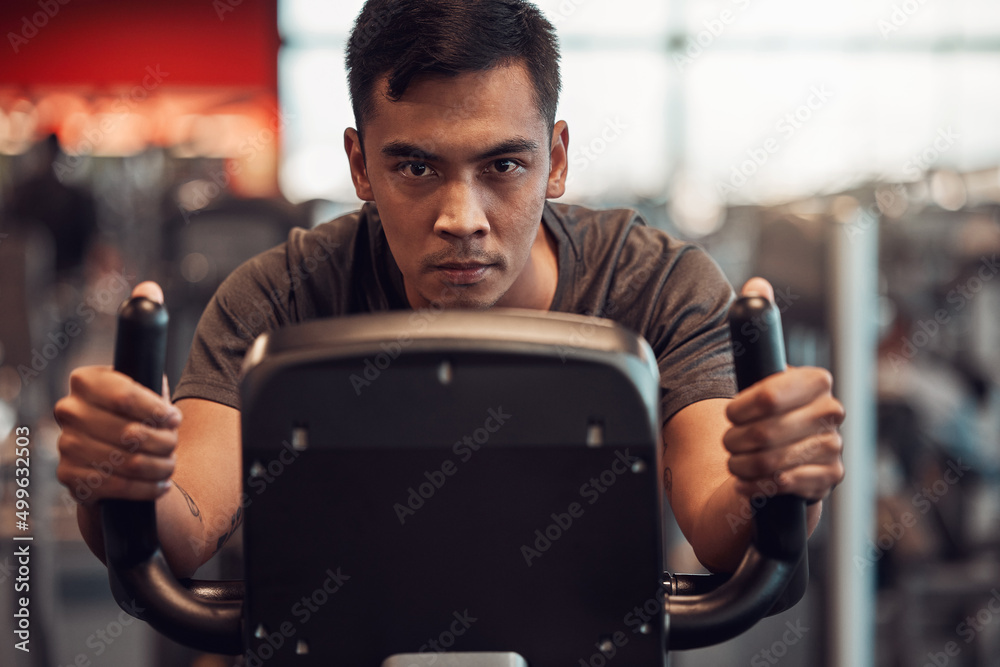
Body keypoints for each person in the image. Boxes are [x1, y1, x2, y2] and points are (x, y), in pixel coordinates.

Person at [54, 0, 844, 579]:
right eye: (415, 167)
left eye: (503, 165)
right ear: (361, 166)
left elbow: (723, 525)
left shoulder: (656, 286)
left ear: (556, 159)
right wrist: (121, 482)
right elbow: (182, 526)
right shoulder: (277, 298)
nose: (461, 219)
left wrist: (776, 483)